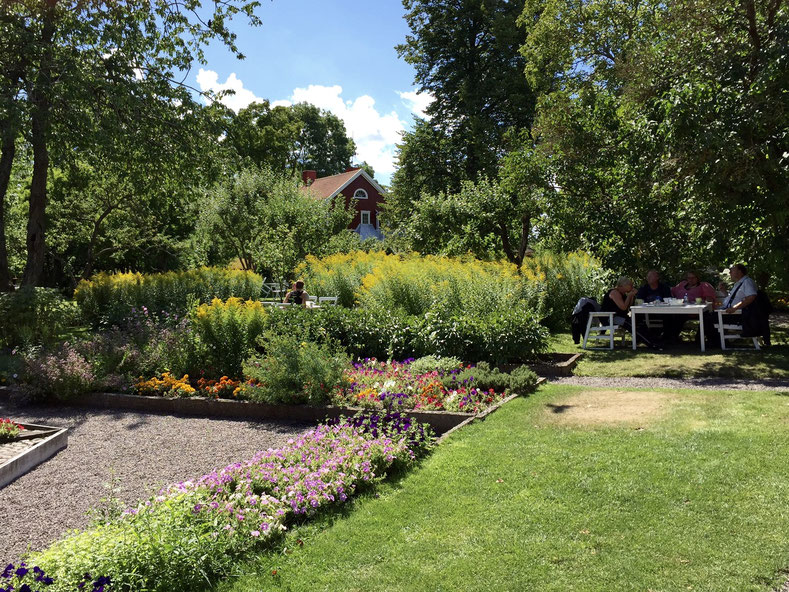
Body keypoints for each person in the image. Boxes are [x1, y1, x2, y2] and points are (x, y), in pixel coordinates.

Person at [601, 277, 661, 349]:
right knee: (631, 324)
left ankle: (651, 340)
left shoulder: (623, 294)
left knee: (639, 321)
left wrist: (631, 296)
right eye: (630, 285)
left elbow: (628, 307)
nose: (632, 287)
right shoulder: (614, 293)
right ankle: (651, 343)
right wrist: (629, 295)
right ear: (623, 285)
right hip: (610, 317)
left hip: (620, 316)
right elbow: (623, 307)